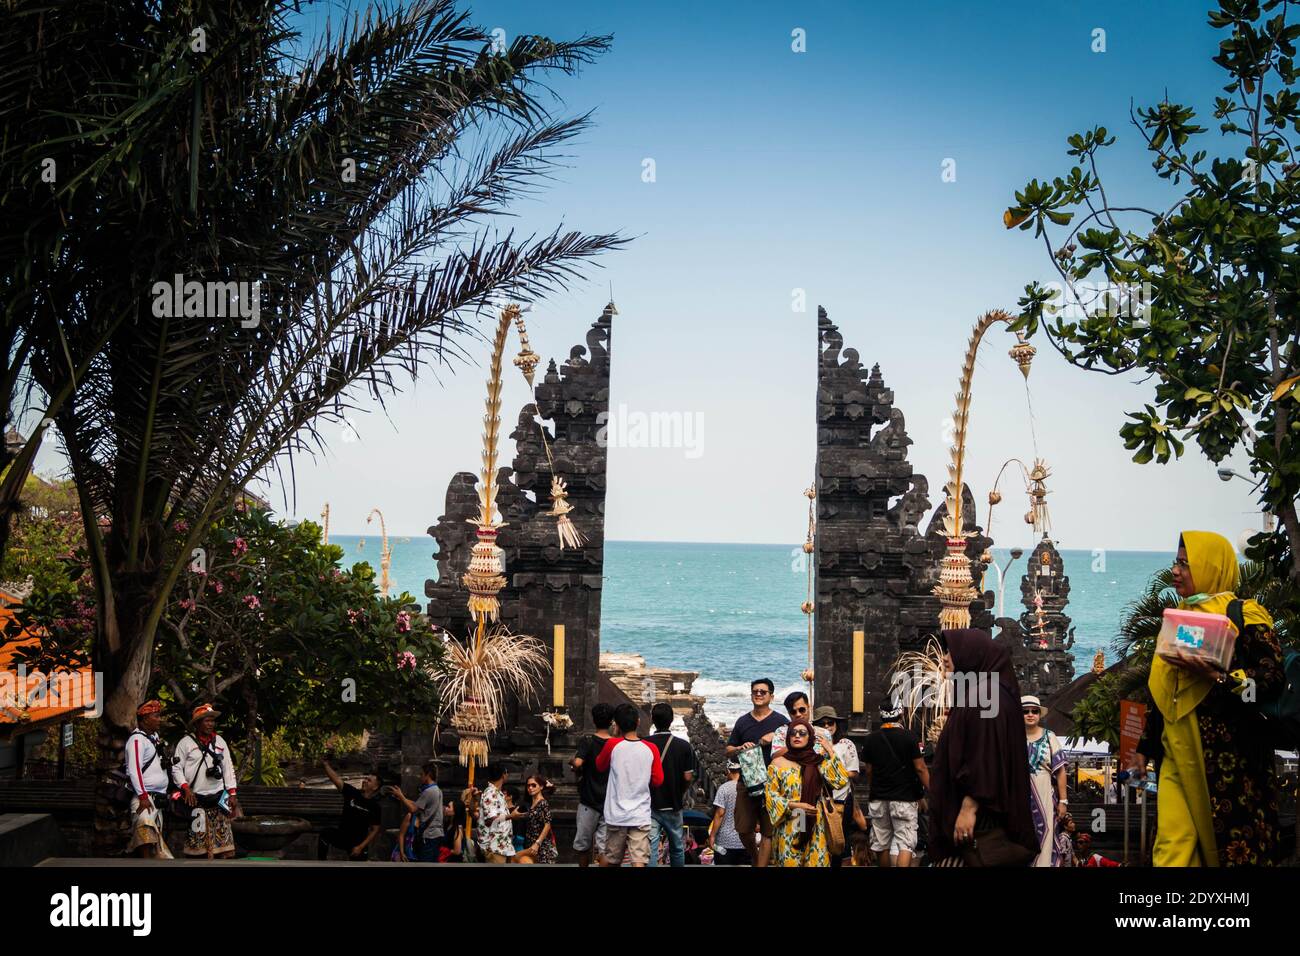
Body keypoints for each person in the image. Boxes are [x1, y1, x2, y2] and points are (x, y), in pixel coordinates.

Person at [1130, 530, 1286, 867]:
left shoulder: (1245, 614)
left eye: (1185, 564)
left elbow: (1272, 679)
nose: (1176, 571)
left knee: (1231, 850)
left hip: (1230, 762)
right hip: (1175, 750)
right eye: (1176, 562)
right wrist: (1144, 749)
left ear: (1211, 567)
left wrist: (1220, 677)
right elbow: (1165, 692)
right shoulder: (1176, 619)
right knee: (1172, 847)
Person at [927, 629, 1037, 867]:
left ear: (971, 655)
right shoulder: (984, 692)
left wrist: (969, 808)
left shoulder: (985, 696)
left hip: (978, 823)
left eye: (951, 652)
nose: (944, 658)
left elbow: (984, 757)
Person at [764, 717, 849, 867]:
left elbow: (841, 780)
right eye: (793, 733)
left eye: (802, 733)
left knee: (815, 861)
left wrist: (830, 750)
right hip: (792, 818)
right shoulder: (778, 763)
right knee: (791, 859)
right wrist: (793, 806)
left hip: (815, 819)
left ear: (810, 737)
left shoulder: (819, 761)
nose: (797, 736)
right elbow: (770, 796)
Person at [725, 677, 788, 867]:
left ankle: (760, 865)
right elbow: (728, 749)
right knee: (743, 829)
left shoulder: (781, 721)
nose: (758, 694)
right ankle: (756, 857)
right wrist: (739, 748)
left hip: (772, 784)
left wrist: (775, 736)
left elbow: (794, 746)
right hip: (746, 782)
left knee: (768, 831)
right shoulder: (743, 721)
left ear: (771, 696)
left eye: (763, 692)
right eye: (755, 691)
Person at [860, 696, 928, 868]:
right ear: (901, 713)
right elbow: (920, 768)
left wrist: (874, 787)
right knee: (905, 843)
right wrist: (931, 790)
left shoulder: (870, 739)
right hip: (904, 799)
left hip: (879, 797)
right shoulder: (909, 737)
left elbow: (869, 770)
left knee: (881, 843)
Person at [595, 702, 664, 867]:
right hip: (640, 813)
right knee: (639, 860)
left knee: (611, 858)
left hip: (616, 814)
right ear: (638, 722)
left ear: (616, 725)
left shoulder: (612, 745)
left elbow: (599, 766)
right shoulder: (651, 748)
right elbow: (658, 780)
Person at [173, 703, 240, 859]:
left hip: (218, 797)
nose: (210, 724)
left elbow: (228, 767)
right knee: (198, 849)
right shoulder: (185, 743)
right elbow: (176, 769)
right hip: (196, 798)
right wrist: (186, 789)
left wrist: (232, 792)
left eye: (212, 720)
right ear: (197, 723)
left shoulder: (220, 741)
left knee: (224, 849)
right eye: (206, 721)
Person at [124, 699, 178, 859]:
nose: (159, 719)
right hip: (145, 798)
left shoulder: (154, 738)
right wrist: (143, 797)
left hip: (157, 797)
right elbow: (134, 771)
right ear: (145, 719)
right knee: (145, 832)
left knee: (154, 840)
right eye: (156, 716)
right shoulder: (136, 740)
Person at [646, 701, 696, 867]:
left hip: (650, 803)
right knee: (677, 847)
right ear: (672, 720)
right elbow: (688, 777)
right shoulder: (683, 746)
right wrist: (682, 791)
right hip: (674, 803)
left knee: (651, 848)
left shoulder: (645, 744)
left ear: (653, 720)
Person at [812, 704, 860, 867]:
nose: (826, 726)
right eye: (822, 723)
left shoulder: (846, 744)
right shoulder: (810, 744)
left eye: (830, 723)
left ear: (836, 724)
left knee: (841, 841)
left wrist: (833, 773)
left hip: (840, 800)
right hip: (817, 801)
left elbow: (854, 772)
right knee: (819, 841)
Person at [1023, 695, 1068, 867]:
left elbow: (1061, 771)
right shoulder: (1011, 737)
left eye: (1034, 711)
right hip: (1019, 794)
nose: (1030, 714)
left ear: (1039, 715)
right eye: (1025, 711)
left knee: (1047, 833)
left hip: (1045, 794)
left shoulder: (1050, 736)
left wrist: (1063, 801)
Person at [571, 701, 614, 866]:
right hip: (609, 802)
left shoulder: (587, 741)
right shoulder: (615, 744)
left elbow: (578, 764)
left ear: (594, 720)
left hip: (588, 800)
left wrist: (572, 760)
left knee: (583, 845)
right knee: (604, 849)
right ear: (611, 721)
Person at [318, 759, 383, 860]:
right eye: (366, 778)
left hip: (358, 842)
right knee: (325, 833)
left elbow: (375, 829)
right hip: (343, 836)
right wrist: (326, 765)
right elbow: (336, 779)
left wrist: (360, 847)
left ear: (375, 787)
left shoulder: (375, 807)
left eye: (369, 780)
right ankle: (321, 864)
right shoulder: (352, 792)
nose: (365, 781)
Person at [386, 761, 444, 862]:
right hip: (436, 833)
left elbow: (413, 808)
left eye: (422, 774)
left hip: (429, 834)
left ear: (428, 775)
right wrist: (402, 798)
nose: (419, 776)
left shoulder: (428, 791)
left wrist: (402, 797)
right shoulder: (437, 790)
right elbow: (419, 804)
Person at [708, 760, 752, 865]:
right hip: (745, 841)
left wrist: (712, 836)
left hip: (725, 841)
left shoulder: (724, 788)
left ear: (728, 770)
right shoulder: (749, 788)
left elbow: (720, 813)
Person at [769, 691, 831, 756]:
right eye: (793, 712)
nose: (798, 714)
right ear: (788, 713)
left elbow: (831, 759)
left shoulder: (824, 733)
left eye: (802, 710)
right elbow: (775, 756)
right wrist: (794, 745)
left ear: (809, 707)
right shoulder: (781, 732)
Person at [513, 774, 558, 864]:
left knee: (515, 857)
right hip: (530, 846)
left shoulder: (543, 803)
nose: (530, 788)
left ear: (541, 787)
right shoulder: (532, 803)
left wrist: (537, 843)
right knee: (516, 859)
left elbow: (547, 824)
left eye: (534, 785)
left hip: (542, 847)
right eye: (528, 785)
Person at [476, 763, 516, 863]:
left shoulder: (498, 793)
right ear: (503, 775)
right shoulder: (491, 793)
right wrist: (512, 816)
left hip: (502, 846)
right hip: (494, 846)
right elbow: (490, 819)